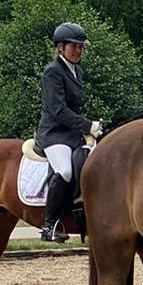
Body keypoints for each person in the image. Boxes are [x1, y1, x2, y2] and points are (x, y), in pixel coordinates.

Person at [35, 22, 103, 242]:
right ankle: (49, 225)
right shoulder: (52, 72)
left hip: (72, 134)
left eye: (81, 46)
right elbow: (58, 110)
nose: (78, 50)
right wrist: (87, 125)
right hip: (54, 133)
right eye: (74, 46)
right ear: (61, 47)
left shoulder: (77, 71)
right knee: (64, 171)